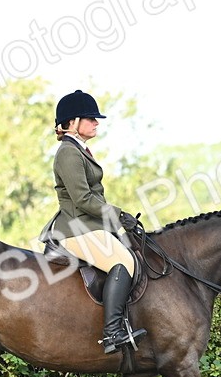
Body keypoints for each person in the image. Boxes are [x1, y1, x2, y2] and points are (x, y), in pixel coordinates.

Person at [39, 89, 145, 353]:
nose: (96, 123)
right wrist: (119, 215)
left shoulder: (80, 150)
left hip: (91, 225)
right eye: (90, 118)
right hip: (76, 228)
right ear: (73, 122)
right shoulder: (68, 153)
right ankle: (112, 334)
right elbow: (83, 199)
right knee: (123, 262)